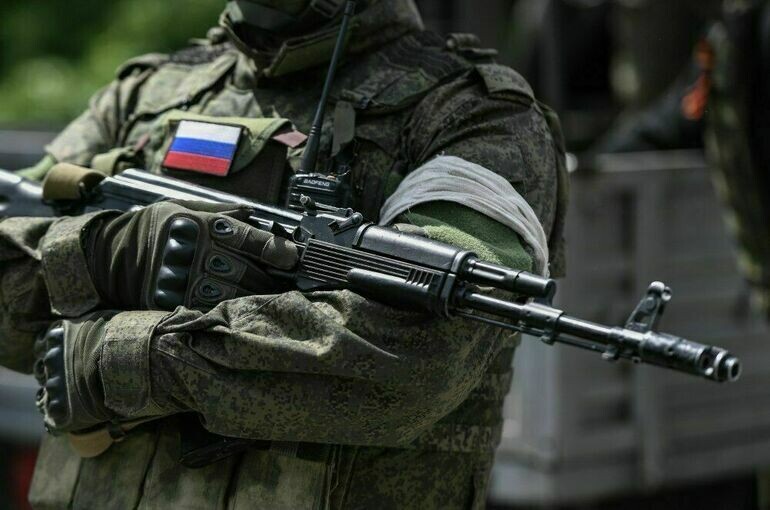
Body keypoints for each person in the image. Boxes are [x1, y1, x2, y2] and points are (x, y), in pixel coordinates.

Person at [0, 0, 567, 508]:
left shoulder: (477, 116)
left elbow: (412, 356)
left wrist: (127, 356)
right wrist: (102, 256)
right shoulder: (147, 93)